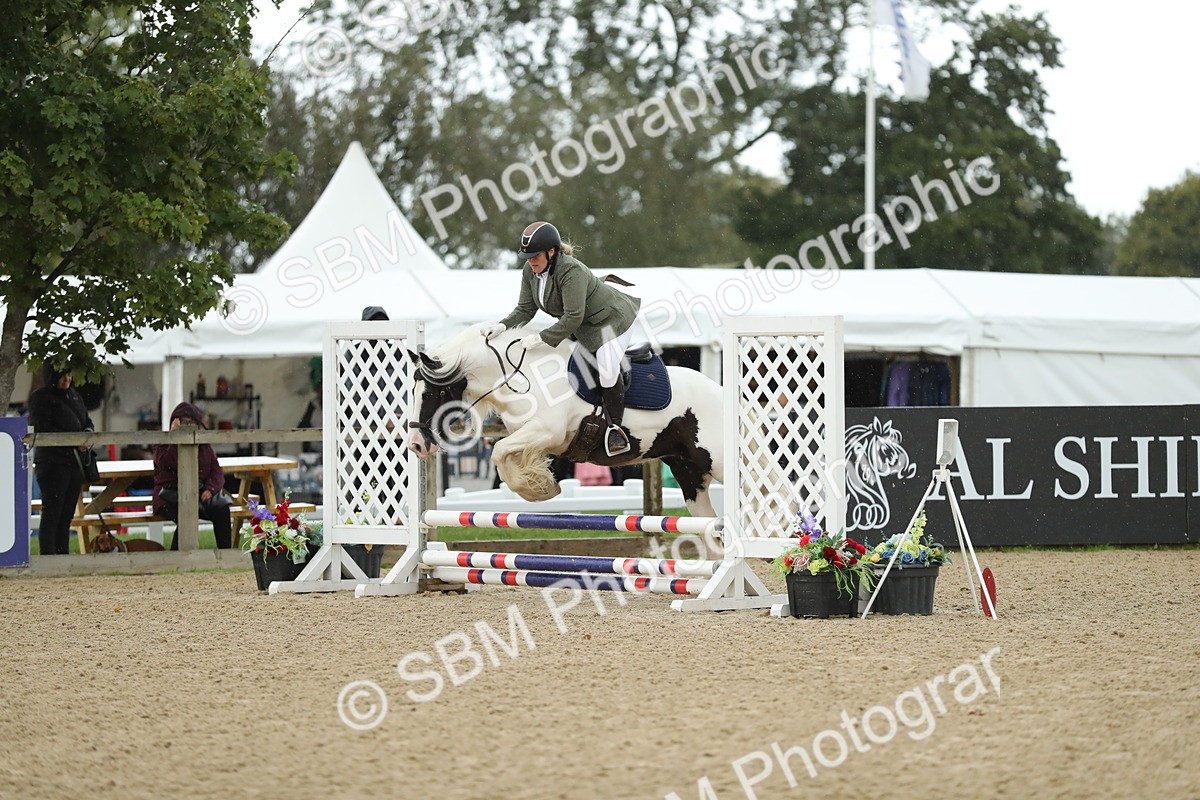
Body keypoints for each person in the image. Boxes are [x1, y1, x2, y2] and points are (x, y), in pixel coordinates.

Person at [483, 221, 641, 456]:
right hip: (584, 327)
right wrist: (502, 326)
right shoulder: (531, 271)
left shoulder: (571, 271)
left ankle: (615, 430)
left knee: (607, 365)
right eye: (527, 256)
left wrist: (541, 338)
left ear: (551, 251)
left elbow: (573, 317)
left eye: (535, 255)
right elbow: (525, 309)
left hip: (612, 320)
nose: (531, 260)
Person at [29, 362, 95, 555]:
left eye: (69, 375)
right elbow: (43, 428)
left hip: (74, 463)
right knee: (52, 513)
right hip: (52, 463)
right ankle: (49, 556)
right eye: (62, 375)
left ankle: (62, 555)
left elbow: (87, 420)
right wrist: (73, 441)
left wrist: (87, 434)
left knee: (66, 514)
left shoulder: (75, 396)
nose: (67, 379)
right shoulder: (41, 398)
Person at [152, 402, 232, 549]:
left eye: (191, 422)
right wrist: (175, 438)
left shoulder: (204, 445)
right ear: (175, 422)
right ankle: (177, 559)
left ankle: (225, 555)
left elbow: (216, 470)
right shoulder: (163, 443)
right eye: (184, 422)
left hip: (198, 493)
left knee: (222, 509)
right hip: (168, 496)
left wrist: (210, 489)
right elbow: (167, 463)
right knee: (187, 514)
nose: (187, 426)